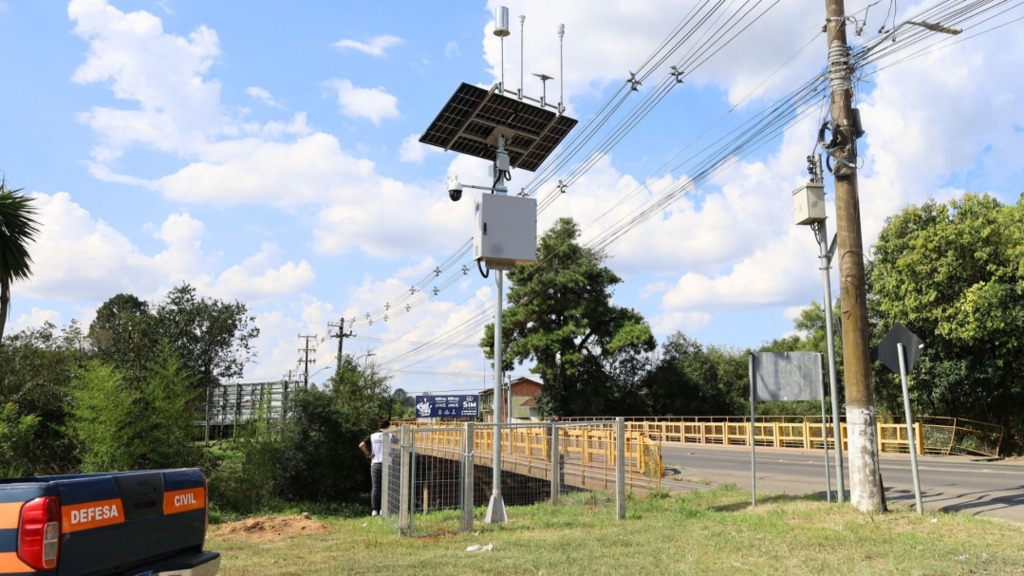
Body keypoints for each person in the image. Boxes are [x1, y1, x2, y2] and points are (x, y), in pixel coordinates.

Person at [359, 418, 390, 516]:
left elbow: (361, 445)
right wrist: (393, 454)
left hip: (375, 464)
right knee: (386, 488)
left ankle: (374, 510)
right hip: (387, 464)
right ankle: (383, 509)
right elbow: (400, 445)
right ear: (387, 427)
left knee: (376, 488)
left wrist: (369, 454)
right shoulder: (390, 435)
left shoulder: (372, 436)